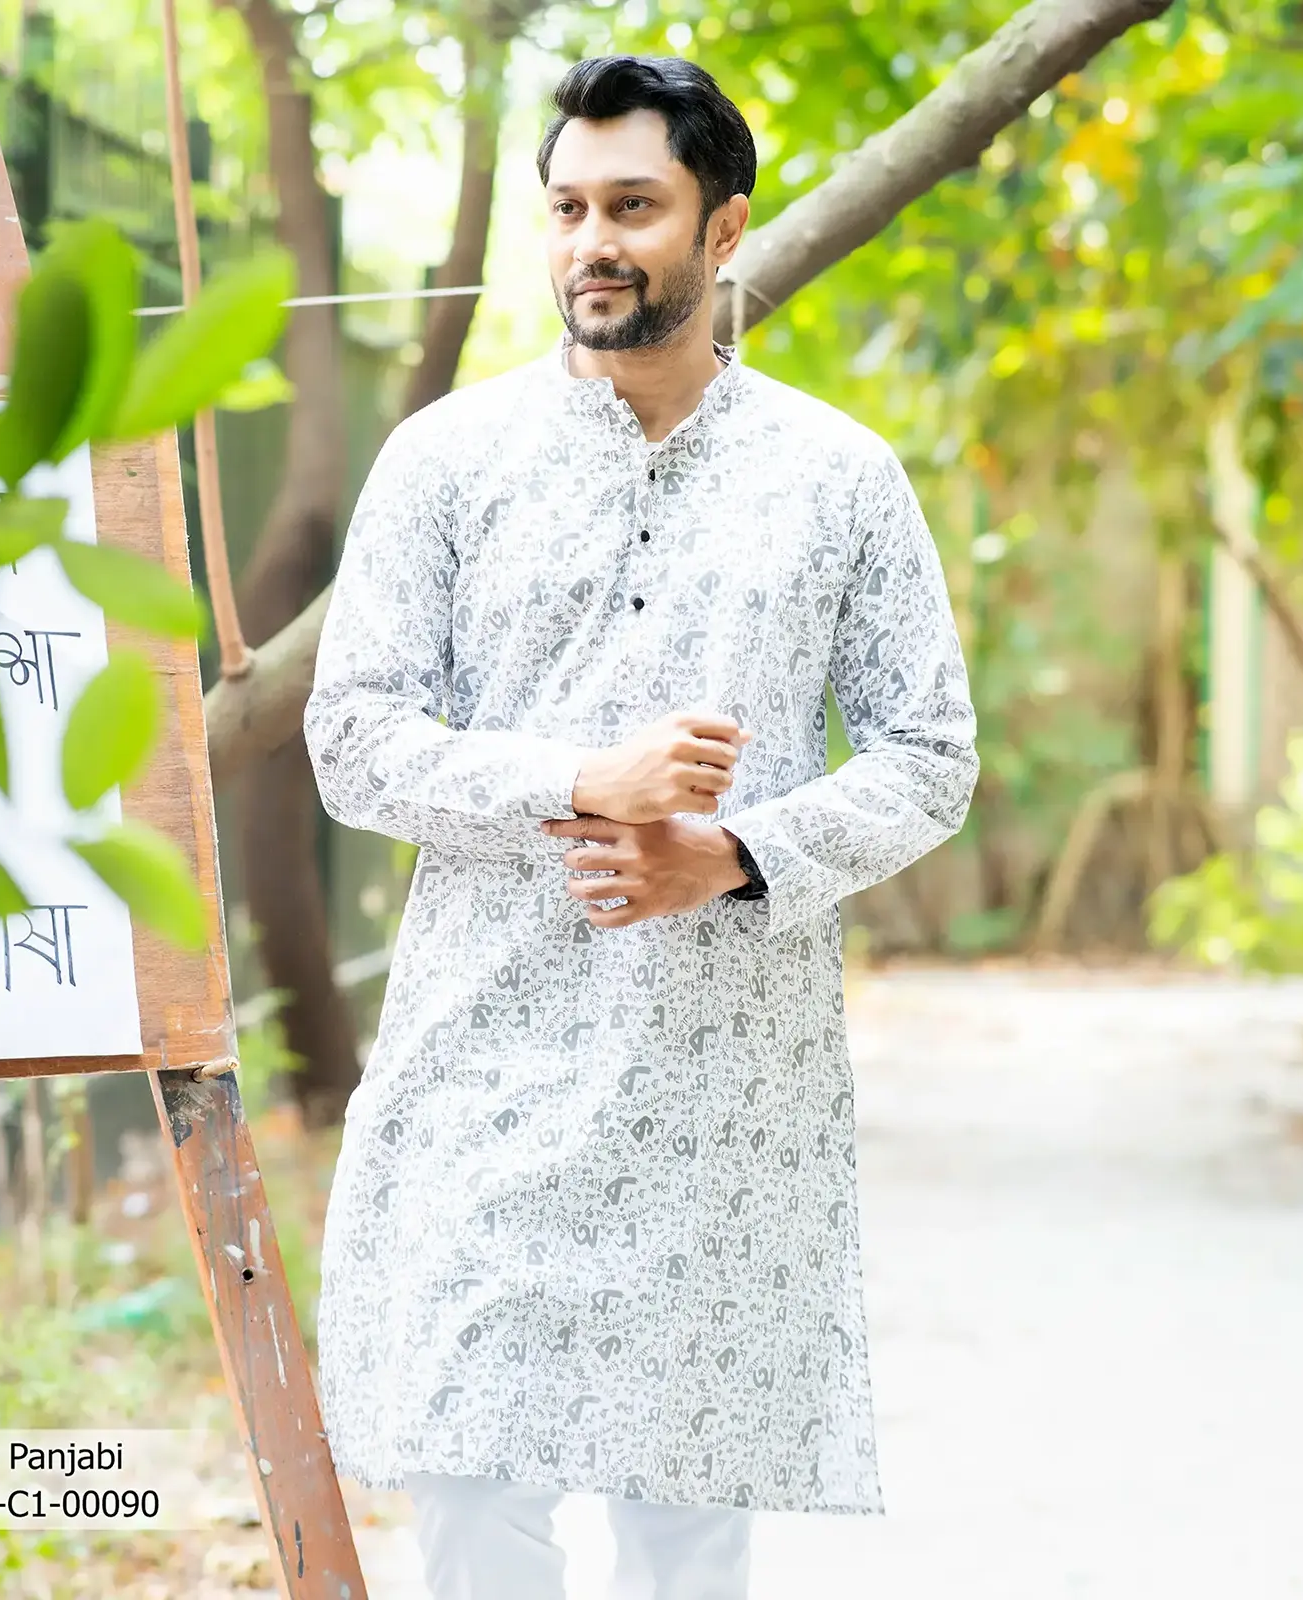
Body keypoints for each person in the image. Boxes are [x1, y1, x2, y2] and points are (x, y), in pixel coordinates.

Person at [304, 52, 978, 1600]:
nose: (592, 243)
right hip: (482, 1052)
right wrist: (579, 782)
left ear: (723, 229)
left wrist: (730, 858)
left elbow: (931, 754)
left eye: (633, 206)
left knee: (683, 1514)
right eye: (567, 209)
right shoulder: (447, 462)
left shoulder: (837, 478)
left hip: (718, 1077)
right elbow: (353, 739)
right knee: (470, 1473)